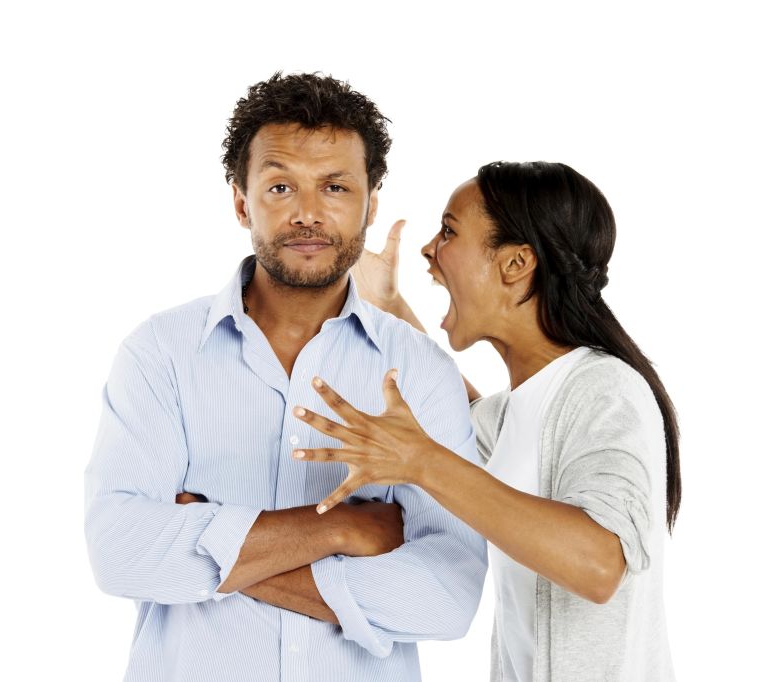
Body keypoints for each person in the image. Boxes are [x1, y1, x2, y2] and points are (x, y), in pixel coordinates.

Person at [84, 72, 487, 682]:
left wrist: (214, 544)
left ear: (370, 205)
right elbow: (122, 554)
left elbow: (448, 595)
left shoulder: (422, 373)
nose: (307, 213)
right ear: (242, 201)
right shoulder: (161, 354)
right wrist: (343, 529)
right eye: (279, 186)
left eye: (335, 187)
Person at [290, 161, 680, 681]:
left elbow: (599, 564)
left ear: (516, 264)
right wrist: (387, 303)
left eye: (449, 231)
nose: (430, 249)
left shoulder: (604, 390)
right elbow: (450, 417)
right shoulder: (517, 410)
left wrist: (422, 463)